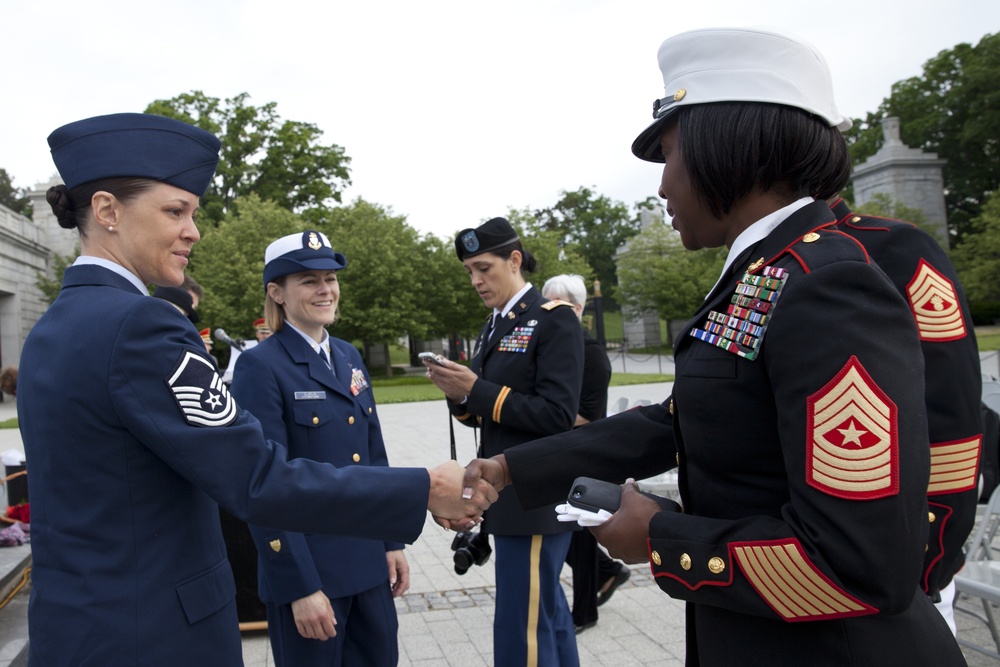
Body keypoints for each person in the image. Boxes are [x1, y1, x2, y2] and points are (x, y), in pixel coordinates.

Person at [464, 27, 967, 665]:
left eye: (670, 154)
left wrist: (658, 535)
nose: (662, 186)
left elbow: (862, 563)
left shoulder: (826, 285)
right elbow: (687, 419)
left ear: (726, 149)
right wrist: (513, 469)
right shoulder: (768, 274)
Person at [16, 112, 496, 667]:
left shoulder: (52, 327)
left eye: (192, 213)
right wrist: (421, 489)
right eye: (175, 210)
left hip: (80, 626)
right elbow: (257, 476)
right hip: (155, 634)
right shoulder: (142, 326)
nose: (193, 230)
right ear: (107, 211)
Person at [230, 231, 408, 666]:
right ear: (277, 292)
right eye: (309, 280)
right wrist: (300, 586)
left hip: (367, 564)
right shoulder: (260, 366)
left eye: (330, 278)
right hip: (312, 576)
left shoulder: (348, 356)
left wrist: (391, 542)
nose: (325, 290)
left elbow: (372, 455)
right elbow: (263, 484)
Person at [423, 217, 584, 666]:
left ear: (514, 260)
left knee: (521, 626)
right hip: (508, 494)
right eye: (469, 271)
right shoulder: (495, 324)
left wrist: (476, 389)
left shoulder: (554, 321)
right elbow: (485, 410)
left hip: (535, 495)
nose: (475, 280)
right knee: (546, 617)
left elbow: (556, 415)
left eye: (483, 268)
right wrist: (458, 395)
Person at [829, 196, 983, 634]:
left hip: (896, 576)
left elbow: (950, 413)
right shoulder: (767, 258)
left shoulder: (891, 247)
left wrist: (927, 557)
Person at [540, 274, 629, 634]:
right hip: (559, 448)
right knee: (570, 528)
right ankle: (609, 572)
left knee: (579, 529)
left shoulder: (590, 353)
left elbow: (588, 413)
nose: (544, 312)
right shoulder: (554, 347)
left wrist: (541, 415)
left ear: (577, 309)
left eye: (554, 305)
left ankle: (585, 612)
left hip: (585, 452)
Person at [222, 317, 272, 385]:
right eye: (263, 333)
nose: (265, 336)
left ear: (272, 334)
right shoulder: (249, 349)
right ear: (257, 334)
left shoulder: (276, 351)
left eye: (267, 333)